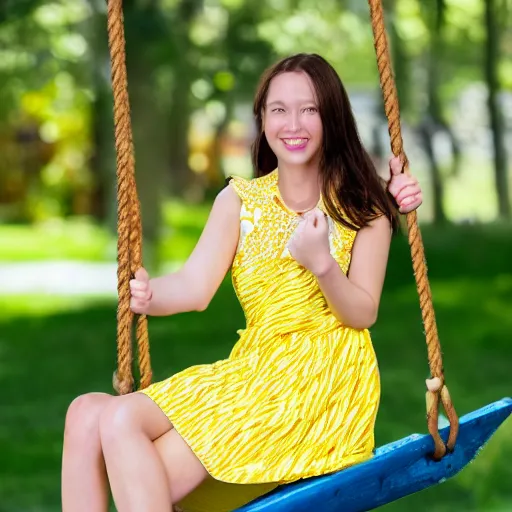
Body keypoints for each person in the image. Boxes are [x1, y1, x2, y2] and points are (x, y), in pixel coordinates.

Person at [61, 53, 422, 512]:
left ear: (332, 116)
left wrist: (322, 265)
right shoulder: (240, 200)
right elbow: (194, 287)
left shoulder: (362, 207)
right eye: (279, 109)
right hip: (255, 372)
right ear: (263, 120)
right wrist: (151, 296)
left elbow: (362, 312)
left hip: (320, 382)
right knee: (85, 413)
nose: (294, 123)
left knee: (120, 419)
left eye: (309, 109)